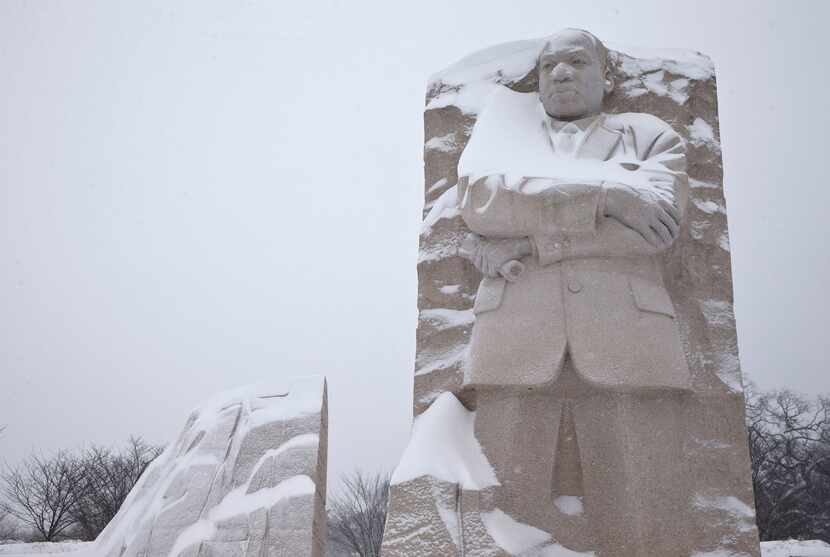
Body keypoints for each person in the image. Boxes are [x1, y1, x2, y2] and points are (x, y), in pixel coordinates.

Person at [457, 28, 693, 556]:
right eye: (549, 66)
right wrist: (608, 195)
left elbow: (656, 229)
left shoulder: (650, 136)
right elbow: (481, 205)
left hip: (631, 337)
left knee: (642, 508)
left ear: (605, 79)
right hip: (514, 336)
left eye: (577, 62)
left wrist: (530, 243)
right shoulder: (502, 130)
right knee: (498, 505)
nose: (561, 73)